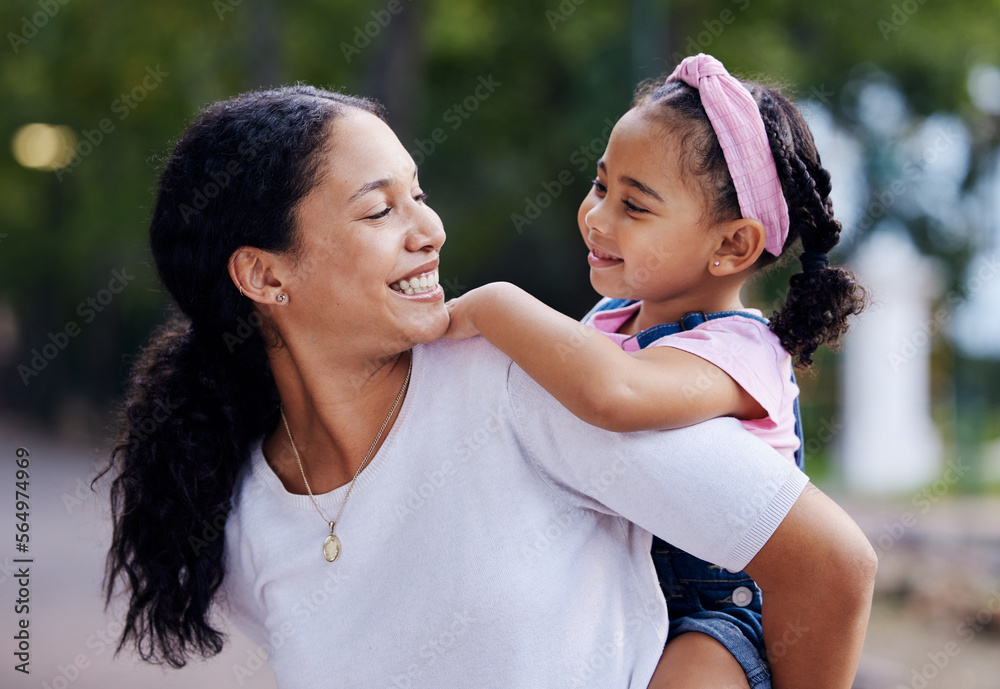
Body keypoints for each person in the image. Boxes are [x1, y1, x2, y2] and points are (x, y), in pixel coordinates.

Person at [98, 83, 876, 689]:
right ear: (264, 274)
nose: (429, 229)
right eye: (379, 208)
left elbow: (830, 565)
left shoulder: (528, 385)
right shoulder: (242, 516)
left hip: (718, 611)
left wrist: (500, 305)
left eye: (418, 194)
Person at [443, 53, 868, 689]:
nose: (597, 217)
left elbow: (615, 395)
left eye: (634, 207)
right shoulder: (611, 317)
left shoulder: (741, 352)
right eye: (600, 185)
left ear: (732, 246)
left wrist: (490, 304)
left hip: (716, 616)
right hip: (611, 588)